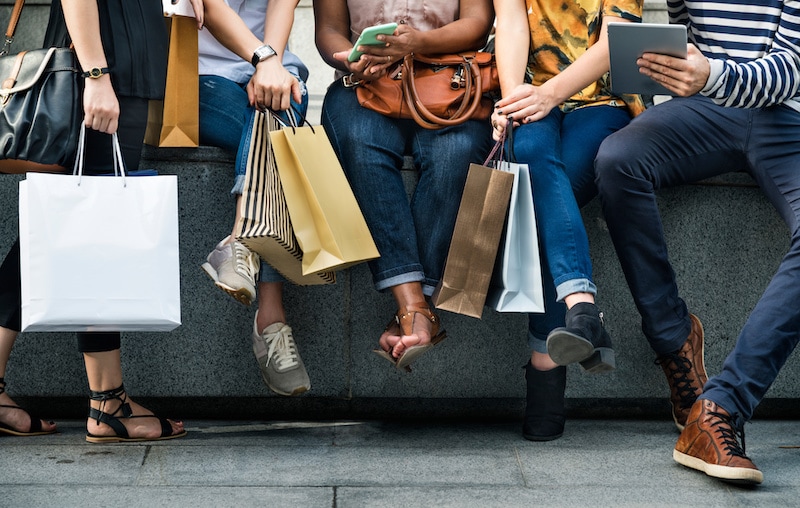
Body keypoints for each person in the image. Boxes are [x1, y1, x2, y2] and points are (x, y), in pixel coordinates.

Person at [594, 0, 800, 485]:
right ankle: (674, 341)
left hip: (790, 114)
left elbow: (793, 66)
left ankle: (720, 409)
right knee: (618, 159)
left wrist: (709, 76)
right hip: (707, 109)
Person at [0, 0, 198, 441]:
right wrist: (96, 75)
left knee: (63, 234)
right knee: (88, 233)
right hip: (101, 68)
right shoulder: (100, 74)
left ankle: (107, 401)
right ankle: (107, 403)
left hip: (113, 67)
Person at [490, 0, 643, 441]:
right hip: (529, 90)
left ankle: (545, 361)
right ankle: (583, 312)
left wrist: (549, 95)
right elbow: (512, 23)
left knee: (547, 190)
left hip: (602, 99)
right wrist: (512, 98)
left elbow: (616, 42)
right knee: (535, 155)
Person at [314, 0, 494, 371]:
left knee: (456, 155)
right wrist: (351, 58)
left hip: (450, 82)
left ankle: (412, 311)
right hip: (365, 85)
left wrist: (418, 43)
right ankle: (415, 308)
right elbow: (328, 29)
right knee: (362, 146)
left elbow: (478, 23)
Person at [198, 0, 311, 396]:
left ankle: (240, 245)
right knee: (281, 139)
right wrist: (262, 58)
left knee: (278, 109)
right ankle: (271, 318)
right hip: (192, 73)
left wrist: (271, 64)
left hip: (269, 67)